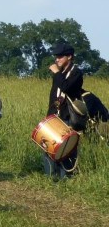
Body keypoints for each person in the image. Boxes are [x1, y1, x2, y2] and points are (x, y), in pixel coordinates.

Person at [44, 41, 84, 178]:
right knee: (49, 146)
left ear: (69, 57)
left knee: (66, 149)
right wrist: (49, 116)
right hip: (55, 115)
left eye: (60, 56)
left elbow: (65, 87)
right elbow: (54, 95)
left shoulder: (76, 73)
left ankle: (66, 177)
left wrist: (56, 73)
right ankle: (51, 177)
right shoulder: (60, 73)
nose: (57, 59)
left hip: (67, 116)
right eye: (56, 57)